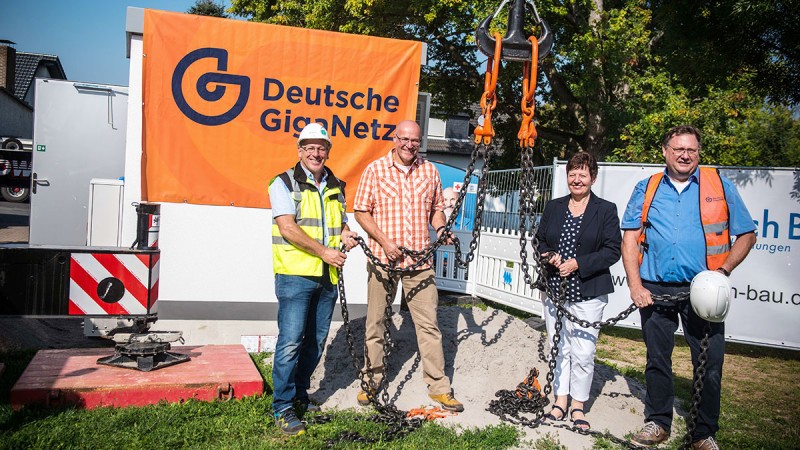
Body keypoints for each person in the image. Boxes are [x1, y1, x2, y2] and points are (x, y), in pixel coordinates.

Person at [621, 125, 756, 449]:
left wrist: (722, 272)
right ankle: (658, 422)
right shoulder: (647, 188)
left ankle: (703, 433)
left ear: (698, 153)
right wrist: (635, 286)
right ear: (665, 151)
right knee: (657, 359)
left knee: (709, 364)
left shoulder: (719, 185)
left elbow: (747, 234)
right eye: (678, 149)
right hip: (655, 288)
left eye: (691, 150)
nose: (685, 155)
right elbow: (629, 237)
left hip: (704, 292)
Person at [352, 119, 464, 412]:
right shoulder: (375, 170)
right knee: (376, 323)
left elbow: (437, 210)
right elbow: (361, 211)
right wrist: (385, 242)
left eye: (414, 140)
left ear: (420, 142)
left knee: (428, 326)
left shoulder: (429, 171)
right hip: (382, 258)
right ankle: (371, 382)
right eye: (404, 139)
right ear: (395, 138)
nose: (409, 145)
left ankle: (439, 387)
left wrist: (441, 230)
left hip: (419, 262)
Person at [268, 122, 358, 436]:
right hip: (295, 275)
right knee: (291, 342)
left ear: (327, 151)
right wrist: (325, 252)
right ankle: (282, 407)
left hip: (327, 276)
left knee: (315, 342)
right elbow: (288, 228)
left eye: (321, 148)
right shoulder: (283, 182)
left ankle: (299, 395)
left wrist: (347, 235)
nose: (315, 153)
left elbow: (340, 223)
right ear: (300, 150)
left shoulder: (336, 184)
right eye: (310, 147)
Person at [535, 152, 621, 431]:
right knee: (559, 347)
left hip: (588, 291)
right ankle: (560, 401)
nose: (577, 179)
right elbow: (539, 240)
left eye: (583, 174)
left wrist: (578, 263)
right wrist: (549, 256)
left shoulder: (605, 210)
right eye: (573, 173)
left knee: (583, 352)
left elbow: (612, 250)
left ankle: (578, 405)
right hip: (555, 290)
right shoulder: (554, 206)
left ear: (592, 178)